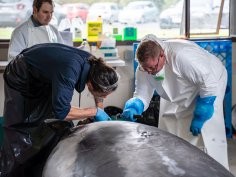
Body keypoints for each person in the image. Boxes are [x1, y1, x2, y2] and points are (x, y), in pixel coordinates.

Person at [121, 34, 229, 169]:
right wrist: (134, 106)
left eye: (153, 68)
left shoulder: (182, 57)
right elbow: (142, 94)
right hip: (179, 87)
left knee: (206, 130)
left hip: (209, 84)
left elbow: (208, 83)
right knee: (169, 122)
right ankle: (175, 167)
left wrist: (202, 112)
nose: (149, 72)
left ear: (162, 55)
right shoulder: (145, 68)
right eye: (145, 68)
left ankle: (214, 169)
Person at [3, 43, 119, 127]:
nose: (105, 98)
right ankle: (14, 159)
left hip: (40, 76)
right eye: (104, 95)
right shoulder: (70, 72)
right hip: (20, 74)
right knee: (21, 122)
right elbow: (62, 112)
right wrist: (94, 112)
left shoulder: (93, 65)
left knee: (45, 118)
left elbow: (98, 84)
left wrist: (100, 108)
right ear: (90, 85)